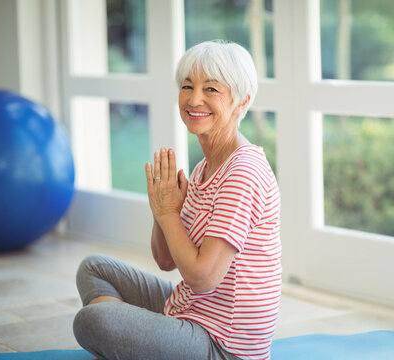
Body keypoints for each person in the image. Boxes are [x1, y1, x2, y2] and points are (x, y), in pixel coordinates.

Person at [73, 40, 282, 360]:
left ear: (242, 101)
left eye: (211, 89)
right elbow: (166, 260)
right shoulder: (205, 167)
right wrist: (161, 209)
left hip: (222, 344)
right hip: (190, 311)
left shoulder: (243, 171)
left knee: (92, 320)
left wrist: (169, 212)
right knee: (95, 268)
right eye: (187, 86)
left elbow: (201, 278)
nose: (194, 99)